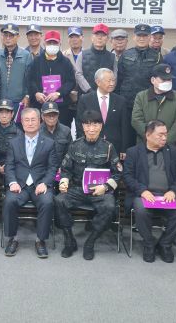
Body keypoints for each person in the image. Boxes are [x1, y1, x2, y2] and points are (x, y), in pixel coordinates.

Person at [55, 111, 121, 260]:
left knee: (109, 206)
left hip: (100, 190)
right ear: (83, 126)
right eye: (88, 125)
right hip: (77, 188)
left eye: (95, 124)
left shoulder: (108, 147)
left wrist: (105, 187)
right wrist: (64, 181)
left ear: (101, 126)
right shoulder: (74, 145)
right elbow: (65, 169)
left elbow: (117, 173)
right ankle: (69, 239)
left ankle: (91, 242)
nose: (91, 129)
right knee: (59, 201)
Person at [126, 120, 176, 263]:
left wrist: (173, 191)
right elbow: (128, 176)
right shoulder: (134, 152)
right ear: (148, 135)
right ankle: (149, 244)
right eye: (160, 135)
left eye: (166, 134)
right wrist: (142, 191)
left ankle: (165, 244)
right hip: (143, 195)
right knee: (142, 211)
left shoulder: (172, 151)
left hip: (167, 195)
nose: (164, 138)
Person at [3, 107, 59, 258]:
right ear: (21, 122)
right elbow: (9, 166)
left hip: (39, 185)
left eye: (33, 119)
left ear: (40, 121)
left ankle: (40, 240)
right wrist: (12, 182)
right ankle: (13, 238)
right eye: (26, 120)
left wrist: (45, 183)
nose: (30, 123)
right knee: (9, 201)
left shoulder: (49, 143)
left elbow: (52, 167)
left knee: (47, 202)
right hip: (19, 185)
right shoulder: (13, 143)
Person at [76, 68, 131, 155]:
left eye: (113, 80)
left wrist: (124, 149)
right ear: (98, 82)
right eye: (108, 81)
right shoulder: (85, 99)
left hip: (114, 147)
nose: (112, 84)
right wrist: (83, 145)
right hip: (91, 145)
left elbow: (124, 126)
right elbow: (79, 125)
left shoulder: (120, 101)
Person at [28, 30, 76, 127]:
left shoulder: (66, 62)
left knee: (62, 131)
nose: (52, 45)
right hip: (40, 105)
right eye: (49, 43)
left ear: (60, 44)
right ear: (44, 43)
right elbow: (29, 80)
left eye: (55, 43)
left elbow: (71, 82)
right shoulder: (36, 61)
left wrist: (59, 93)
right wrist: (36, 93)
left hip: (61, 107)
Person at [131, 64, 176, 147]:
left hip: (169, 146)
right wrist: (151, 138)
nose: (167, 82)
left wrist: (165, 140)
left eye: (169, 79)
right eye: (163, 79)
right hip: (145, 145)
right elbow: (136, 120)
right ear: (153, 80)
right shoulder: (141, 96)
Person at [116, 24, 162, 112]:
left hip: (148, 100)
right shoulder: (125, 54)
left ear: (150, 37)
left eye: (145, 36)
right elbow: (119, 79)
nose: (142, 39)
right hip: (126, 100)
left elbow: (159, 80)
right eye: (139, 35)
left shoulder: (157, 56)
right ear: (134, 37)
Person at [0, 23, 32, 108]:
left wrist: (27, 96)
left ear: (18, 37)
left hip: (19, 101)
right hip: (0, 100)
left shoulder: (26, 55)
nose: (8, 38)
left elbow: (29, 79)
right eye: (5, 35)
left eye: (11, 36)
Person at [83, 24, 116, 96]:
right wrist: (89, 90)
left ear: (107, 38)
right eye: (97, 35)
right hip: (86, 95)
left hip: (106, 95)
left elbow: (115, 75)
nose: (100, 38)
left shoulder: (112, 57)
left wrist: (107, 89)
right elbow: (78, 75)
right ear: (92, 37)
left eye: (103, 35)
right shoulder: (82, 55)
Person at [63, 26, 90, 109]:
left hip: (85, 94)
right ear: (68, 39)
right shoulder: (63, 55)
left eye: (77, 37)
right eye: (71, 37)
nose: (74, 40)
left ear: (82, 38)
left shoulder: (88, 55)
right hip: (67, 95)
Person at [0, 100, 20, 172]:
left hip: (12, 167)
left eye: (7, 112)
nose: (4, 116)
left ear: (12, 114)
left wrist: (8, 165)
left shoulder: (18, 133)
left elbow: (20, 155)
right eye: (1, 112)